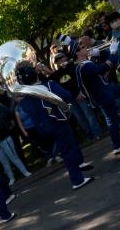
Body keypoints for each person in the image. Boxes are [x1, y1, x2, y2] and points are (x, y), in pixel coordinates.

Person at [15, 63, 94, 191]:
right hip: (57, 122)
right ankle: (77, 180)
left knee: (70, 145)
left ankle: (80, 163)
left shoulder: (25, 99)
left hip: (42, 128)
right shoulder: (49, 85)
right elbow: (67, 96)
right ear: (36, 75)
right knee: (68, 150)